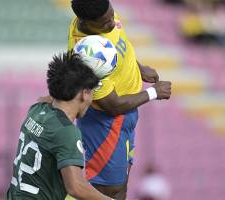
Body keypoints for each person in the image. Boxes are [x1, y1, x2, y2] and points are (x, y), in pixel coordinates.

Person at [68, 0, 172, 199]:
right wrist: (154, 93)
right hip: (106, 125)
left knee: (121, 185)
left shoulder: (100, 14)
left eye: (111, 15)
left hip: (126, 114)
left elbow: (118, 43)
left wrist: (137, 67)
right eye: (105, 23)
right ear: (86, 23)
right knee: (107, 191)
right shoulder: (88, 57)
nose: (111, 23)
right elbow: (112, 105)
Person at [6, 52, 113, 200]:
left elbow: (53, 99)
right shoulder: (66, 132)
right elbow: (75, 187)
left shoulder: (36, 110)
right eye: (92, 92)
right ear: (84, 93)